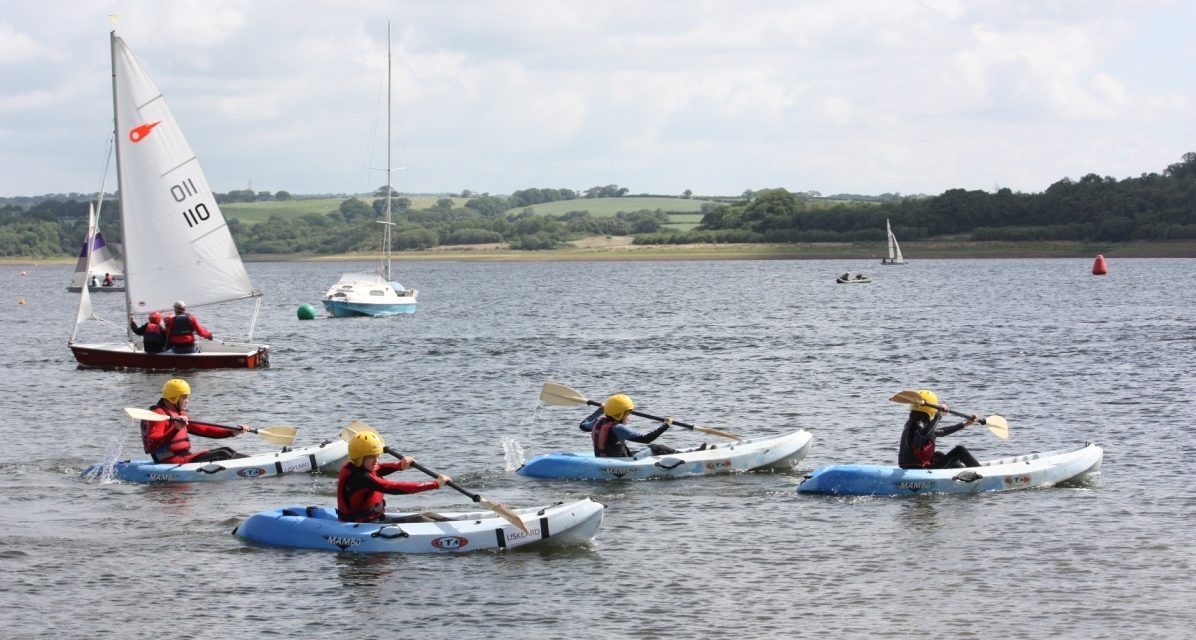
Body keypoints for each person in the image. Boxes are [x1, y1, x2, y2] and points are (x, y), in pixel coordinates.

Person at [337, 431, 451, 523]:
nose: (376, 460)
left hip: (373, 520)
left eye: (377, 455)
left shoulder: (357, 466)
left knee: (430, 515)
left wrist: (400, 465)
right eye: (372, 457)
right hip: (362, 524)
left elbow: (379, 468)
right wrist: (435, 484)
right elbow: (394, 487)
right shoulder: (362, 478)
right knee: (421, 519)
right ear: (359, 458)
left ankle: (459, 524)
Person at [139, 378, 248, 464]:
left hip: (184, 457)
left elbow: (204, 430)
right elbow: (152, 444)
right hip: (170, 462)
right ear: (174, 398)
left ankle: (251, 462)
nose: (187, 401)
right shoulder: (158, 415)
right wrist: (175, 429)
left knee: (226, 450)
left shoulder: (178, 414)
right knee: (223, 454)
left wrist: (231, 432)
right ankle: (252, 466)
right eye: (184, 397)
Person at [898, 389, 981, 469]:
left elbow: (942, 432)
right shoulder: (918, 425)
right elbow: (925, 434)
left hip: (914, 466)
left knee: (938, 455)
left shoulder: (913, 423)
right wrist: (939, 415)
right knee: (960, 450)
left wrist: (965, 423)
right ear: (931, 409)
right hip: (920, 469)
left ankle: (963, 470)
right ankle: (981, 472)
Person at [578, 393, 679, 458]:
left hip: (603, 459)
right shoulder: (618, 428)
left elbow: (583, 425)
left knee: (641, 449)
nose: (628, 416)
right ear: (620, 414)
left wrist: (600, 410)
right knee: (657, 448)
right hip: (621, 462)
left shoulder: (598, 422)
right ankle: (682, 456)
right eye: (627, 414)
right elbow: (646, 438)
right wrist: (666, 425)